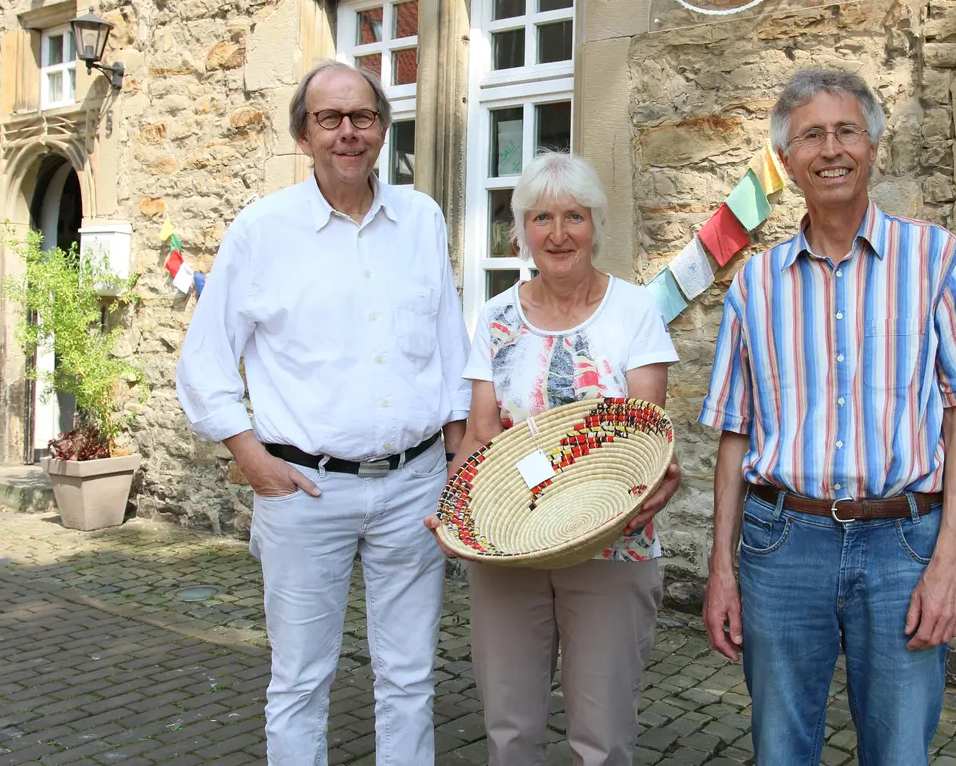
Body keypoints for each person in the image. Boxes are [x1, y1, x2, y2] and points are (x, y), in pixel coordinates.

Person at [698, 68, 956, 764]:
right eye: (812, 135)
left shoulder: (936, 259)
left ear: (874, 147)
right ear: (787, 160)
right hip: (781, 544)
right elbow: (734, 435)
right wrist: (721, 567)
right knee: (780, 751)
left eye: (847, 131)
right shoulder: (754, 283)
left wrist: (951, 559)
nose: (831, 148)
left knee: (899, 753)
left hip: (903, 545)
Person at [176, 60, 470, 765]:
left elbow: (448, 343)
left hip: (414, 486)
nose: (347, 133)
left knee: (409, 677)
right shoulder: (262, 231)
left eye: (361, 117)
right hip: (306, 490)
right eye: (329, 119)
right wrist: (254, 461)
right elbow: (205, 364)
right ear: (304, 136)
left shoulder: (421, 220)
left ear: (382, 129)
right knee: (301, 681)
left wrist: (457, 452)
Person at [423, 152, 683, 766]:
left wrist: (648, 492)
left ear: (596, 225)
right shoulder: (497, 316)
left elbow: (643, 437)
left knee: (603, 734)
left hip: (611, 543)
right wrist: (456, 514)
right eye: (541, 218)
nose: (558, 234)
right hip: (509, 540)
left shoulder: (634, 311)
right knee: (509, 728)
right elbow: (482, 435)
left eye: (574, 216)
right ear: (520, 230)